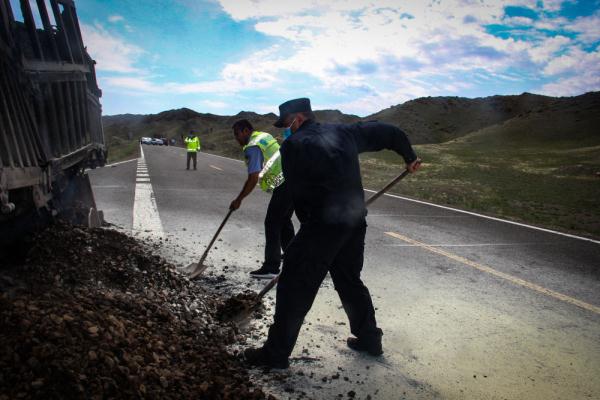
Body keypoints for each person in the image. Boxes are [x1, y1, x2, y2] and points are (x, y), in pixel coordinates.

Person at [244, 98, 421, 369]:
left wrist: (306, 237)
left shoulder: (292, 146)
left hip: (322, 225)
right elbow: (390, 133)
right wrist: (409, 157)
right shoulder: (344, 132)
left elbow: (297, 194)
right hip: (353, 220)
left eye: (285, 125)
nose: (284, 131)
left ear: (297, 119)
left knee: (294, 284)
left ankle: (275, 353)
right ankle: (369, 339)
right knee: (349, 279)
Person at [230, 119, 295, 279]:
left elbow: (253, 178)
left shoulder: (253, 146)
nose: (236, 138)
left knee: (272, 223)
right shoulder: (264, 136)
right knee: (284, 222)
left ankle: (271, 268)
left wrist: (239, 199)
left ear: (246, 131)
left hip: (284, 184)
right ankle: (295, 257)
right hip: (294, 178)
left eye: (237, 134)